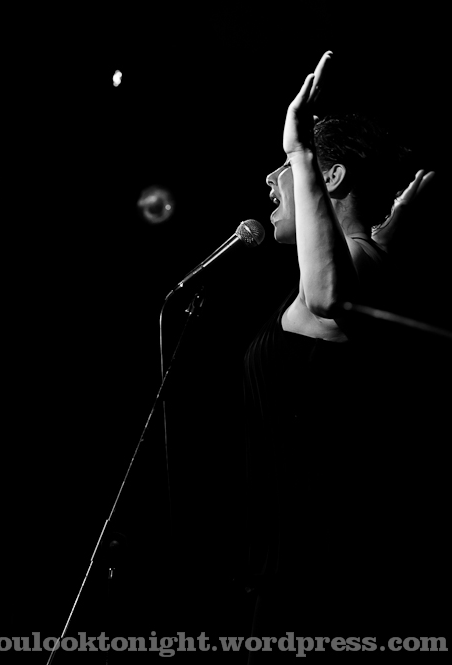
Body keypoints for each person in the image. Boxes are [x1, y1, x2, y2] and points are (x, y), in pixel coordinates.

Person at [241, 51, 438, 659]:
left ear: (331, 178)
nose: (270, 180)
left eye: (281, 169)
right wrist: (384, 236)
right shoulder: (366, 260)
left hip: (321, 581)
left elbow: (329, 294)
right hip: (296, 569)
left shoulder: (351, 270)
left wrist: (298, 148)